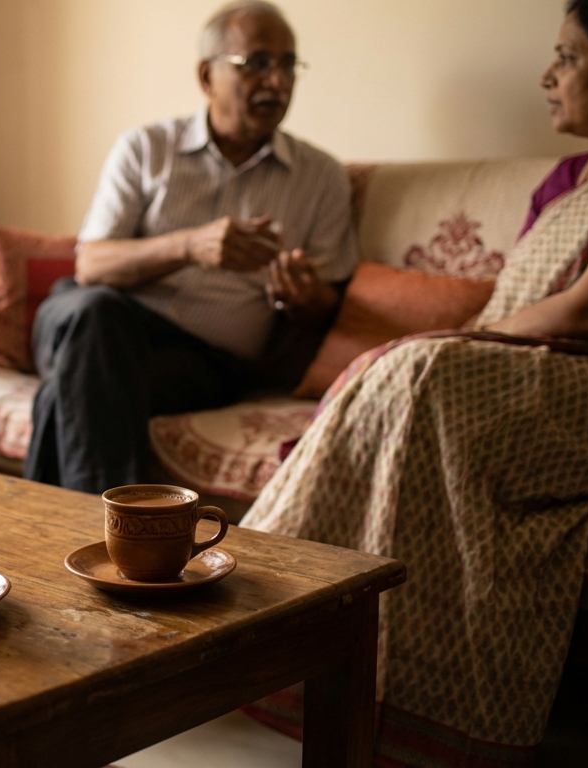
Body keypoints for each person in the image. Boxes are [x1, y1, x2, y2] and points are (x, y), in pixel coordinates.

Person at [242, 0, 588, 763]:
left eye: (568, 57)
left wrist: (454, 342)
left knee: (426, 369)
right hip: (534, 370)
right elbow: (524, 301)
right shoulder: (571, 179)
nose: (547, 74)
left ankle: (304, 640)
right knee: (413, 370)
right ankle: (279, 632)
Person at [25, 0, 357, 494]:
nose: (278, 82)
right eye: (258, 64)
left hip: (204, 362)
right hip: (93, 317)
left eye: (288, 65)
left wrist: (308, 298)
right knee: (95, 316)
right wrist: (188, 247)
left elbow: (332, 302)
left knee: (75, 384)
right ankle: (118, 534)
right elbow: (91, 264)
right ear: (207, 76)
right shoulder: (145, 148)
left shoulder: (321, 177)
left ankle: (78, 531)